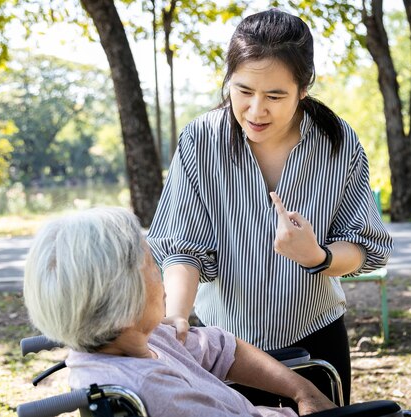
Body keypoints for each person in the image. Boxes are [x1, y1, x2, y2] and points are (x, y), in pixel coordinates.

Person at [147, 9, 395, 405]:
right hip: (226, 349)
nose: (256, 110)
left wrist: (317, 256)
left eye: (275, 96)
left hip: (317, 340)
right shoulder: (200, 140)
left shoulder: (338, 142)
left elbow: (363, 246)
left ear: (303, 89)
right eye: (243, 91)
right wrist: (177, 314)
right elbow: (182, 247)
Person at [23, 207, 337, 417]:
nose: (162, 278)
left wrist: (302, 390)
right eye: (152, 267)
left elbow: (222, 348)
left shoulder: (138, 337)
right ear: (125, 300)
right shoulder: (158, 394)